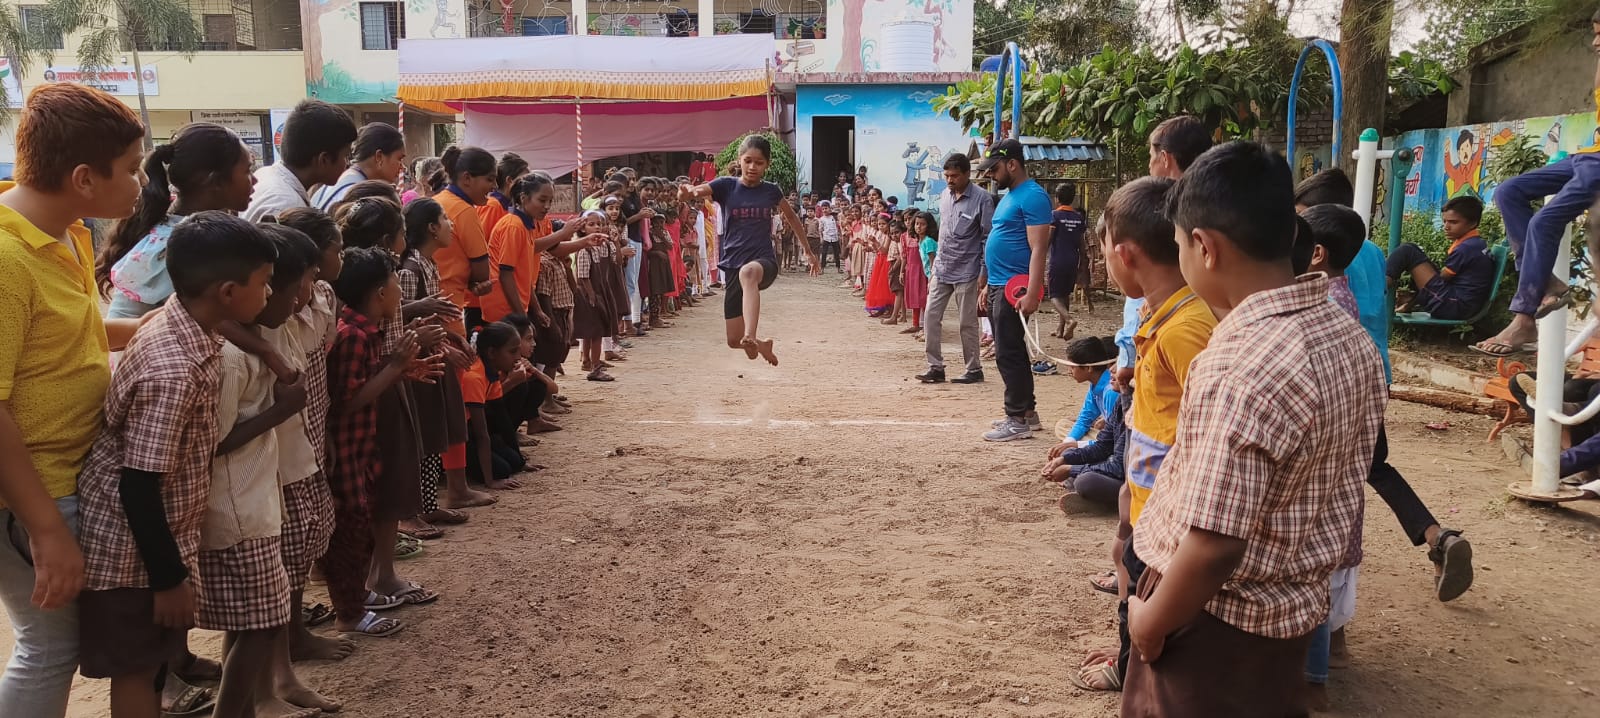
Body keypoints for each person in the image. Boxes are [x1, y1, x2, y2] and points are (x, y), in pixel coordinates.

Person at [1120, 141, 1386, 716]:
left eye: (1180, 246)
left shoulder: (1240, 360)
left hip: (1208, 625)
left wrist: (1149, 621)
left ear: (1205, 248)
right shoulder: (1350, 338)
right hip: (1288, 620)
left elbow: (1215, 545)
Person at [75, 213, 278, 718]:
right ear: (228, 292)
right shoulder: (174, 371)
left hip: (157, 542)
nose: (270, 294)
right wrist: (167, 579)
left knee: (154, 663)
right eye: (265, 283)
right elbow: (139, 487)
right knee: (140, 671)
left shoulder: (190, 329)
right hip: (132, 556)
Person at [0, 82, 146, 718]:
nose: (142, 184)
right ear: (85, 178)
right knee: (48, 648)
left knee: (59, 645)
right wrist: (47, 529)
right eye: (134, 169)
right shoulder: (7, 261)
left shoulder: (68, 233)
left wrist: (157, 327)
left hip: (71, 479)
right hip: (36, 490)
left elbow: (77, 332)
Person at [1297, 171, 1475, 604]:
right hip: (1376, 369)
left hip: (1340, 375)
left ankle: (1330, 600)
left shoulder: (1320, 265)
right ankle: (1436, 537)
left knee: (1339, 477)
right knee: (1373, 465)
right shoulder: (1372, 250)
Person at [1072, 176, 1216, 694]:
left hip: (1173, 512)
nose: (1103, 258)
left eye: (1102, 248)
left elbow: (1205, 431)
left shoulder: (1187, 330)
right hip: (1147, 501)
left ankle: (1134, 668)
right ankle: (1126, 657)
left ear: (1125, 253)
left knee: (1153, 598)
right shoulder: (1162, 319)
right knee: (1129, 573)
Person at [199, 222, 328, 718]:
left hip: (257, 499)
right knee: (261, 620)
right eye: (270, 283)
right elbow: (213, 444)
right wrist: (278, 411)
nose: (287, 293)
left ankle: (251, 705)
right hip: (237, 508)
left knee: (254, 618)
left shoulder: (263, 338)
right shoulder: (233, 359)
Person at [1477, 8, 1600, 356]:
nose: (1594, 42)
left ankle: (1524, 318)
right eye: (1594, 34)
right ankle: (1545, 281)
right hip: (1589, 154)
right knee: (1508, 191)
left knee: (1545, 220)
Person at [319, 247, 424, 638]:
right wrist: (395, 366)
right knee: (350, 534)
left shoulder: (365, 331)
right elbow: (347, 402)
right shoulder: (354, 336)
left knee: (360, 526)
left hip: (361, 447)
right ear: (380, 292)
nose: (400, 289)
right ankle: (349, 612)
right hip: (347, 447)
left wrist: (400, 368)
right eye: (395, 282)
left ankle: (358, 597)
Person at [678, 135, 818, 367]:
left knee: (748, 273)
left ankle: (751, 335)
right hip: (732, 264)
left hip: (763, 263)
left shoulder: (771, 191)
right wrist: (685, 193)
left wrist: (809, 253)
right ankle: (762, 345)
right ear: (740, 161)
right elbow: (694, 192)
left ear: (767, 164)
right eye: (748, 161)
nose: (753, 167)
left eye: (759, 162)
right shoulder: (725, 185)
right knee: (733, 340)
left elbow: (792, 218)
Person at [100, 122, 258, 318]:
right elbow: (216, 319)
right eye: (247, 171)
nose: (255, 180)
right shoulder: (188, 243)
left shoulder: (183, 229)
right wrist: (266, 349)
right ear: (214, 181)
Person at [977, 139, 1055, 442]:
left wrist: (1033, 291)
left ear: (1012, 164)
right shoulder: (1011, 196)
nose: (991, 175)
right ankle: (1027, 413)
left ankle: (1016, 418)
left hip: (1015, 287)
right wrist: (989, 284)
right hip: (1000, 284)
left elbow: (1039, 248)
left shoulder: (1033, 196)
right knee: (1011, 350)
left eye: (994, 168)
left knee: (1008, 353)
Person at [917, 153, 993, 385]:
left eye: (955, 176)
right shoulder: (943, 196)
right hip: (942, 268)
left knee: (966, 322)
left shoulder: (982, 199)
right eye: (947, 176)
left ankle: (973, 369)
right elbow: (943, 232)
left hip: (968, 270)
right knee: (930, 316)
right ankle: (935, 367)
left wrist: (984, 271)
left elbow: (987, 238)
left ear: (967, 174)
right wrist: (935, 266)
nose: (950, 180)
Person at [244, 99, 357, 221]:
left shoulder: (266, 174)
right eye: (345, 156)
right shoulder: (287, 210)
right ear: (324, 160)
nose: (347, 164)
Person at [1388, 196, 1496, 320]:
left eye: (1453, 222)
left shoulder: (1466, 248)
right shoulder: (1475, 243)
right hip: (1461, 304)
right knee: (1414, 253)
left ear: (1473, 223)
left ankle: (1376, 288)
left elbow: (1443, 277)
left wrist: (1419, 278)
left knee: (1408, 251)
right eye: (1445, 221)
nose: (1446, 227)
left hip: (1454, 306)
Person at [433, 145, 497, 333]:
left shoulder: (438, 200)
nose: (494, 187)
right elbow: (482, 273)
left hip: (431, 300)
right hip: (449, 306)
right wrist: (476, 282)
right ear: (467, 178)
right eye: (490, 179)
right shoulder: (465, 211)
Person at [312, 122, 405, 210]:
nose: (402, 167)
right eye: (399, 159)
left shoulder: (334, 184)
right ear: (379, 157)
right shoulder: (358, 196)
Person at [1049, 182, 1088, 341]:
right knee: (1065, 293)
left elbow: (1049, 239)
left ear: (1057, 199)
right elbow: (1082, 244)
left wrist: (1039, 251)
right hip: (1073, 260)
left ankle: (1069, 319)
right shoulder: (1078, 218)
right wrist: (1083, 263)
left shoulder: (1054, 216)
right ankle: (1061, 329)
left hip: (1058, 260)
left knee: (1054, 296)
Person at [478, 152, 529, 239]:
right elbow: (482, 241)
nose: (529, 186)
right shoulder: (493, 205)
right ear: (509, 180)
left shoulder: (511, 206)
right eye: (525, 181)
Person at [901, 213, 931, 336]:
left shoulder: (927, 240)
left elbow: (931, 260)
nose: (918, 226)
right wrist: (902, 270)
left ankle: (925, 326)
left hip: (923, 271)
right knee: (914, 296)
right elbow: (904, 255)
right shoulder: (905, 237)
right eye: (916, 223)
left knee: (924, 297)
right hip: (911, 270)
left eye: (921, 224)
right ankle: (915, 324)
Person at [819, 201, 841, 272]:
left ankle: (838, 268)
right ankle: (822, 268)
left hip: (834, 237)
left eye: (826, 208)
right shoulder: (822, 219)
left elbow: (837, 226)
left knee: (836, 253)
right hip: (826, 237)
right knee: (824, 253)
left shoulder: (833, 217)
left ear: (830, 209)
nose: (825, 210)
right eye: (823, 209)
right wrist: (821, 238)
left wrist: (839, 234)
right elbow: (820, 229)